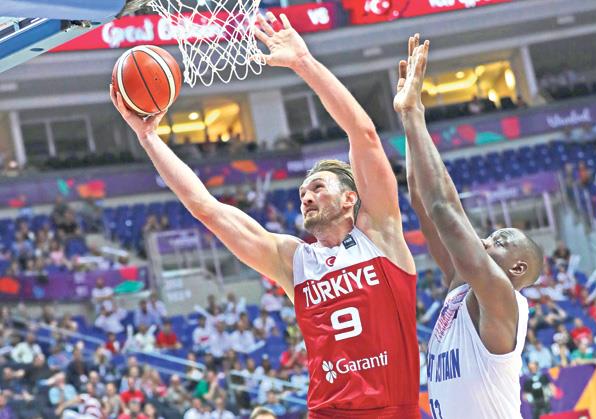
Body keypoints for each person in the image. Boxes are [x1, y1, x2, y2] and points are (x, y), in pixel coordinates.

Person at [111, 11, 420, 419]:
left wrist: (304, 63)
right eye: (303, 192)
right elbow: (206, 209)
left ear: (350, 199)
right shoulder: (293, 261)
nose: (306, 196)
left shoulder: (379, 235)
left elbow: (362, 135)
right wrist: (148, 137)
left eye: (318, 187)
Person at [396, 35, 543, 418]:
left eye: (498, 241)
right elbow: (422, 201)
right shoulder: (462, 289)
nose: (484, 240)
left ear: (517, 268)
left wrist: (414, 114)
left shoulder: (501, 298)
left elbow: (445, 209)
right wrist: (409, 122)